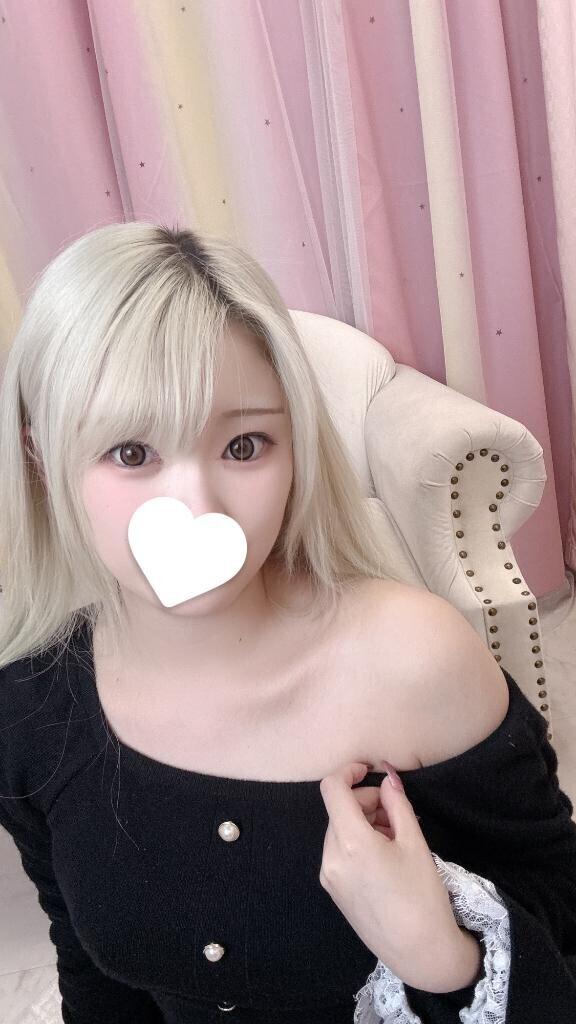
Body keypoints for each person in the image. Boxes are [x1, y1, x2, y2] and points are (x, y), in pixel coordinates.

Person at [0, 221, 574, 1023]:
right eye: (131, 454)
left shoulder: (417, 662)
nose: (198, 508)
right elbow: (92, 974)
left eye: (244, 445)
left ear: (295, 446)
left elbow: (563, 923)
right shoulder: (29, 711)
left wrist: (444, 956)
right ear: (42, 458)